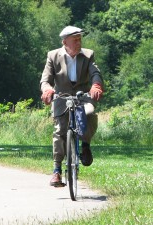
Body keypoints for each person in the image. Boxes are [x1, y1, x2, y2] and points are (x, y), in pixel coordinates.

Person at [40, 25, 104, 186]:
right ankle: (56, 171)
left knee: (90, 114)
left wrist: (96, 85)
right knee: (60, 131)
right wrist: (47, 90)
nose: (78, 43)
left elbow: (95, 73)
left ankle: (86, 146)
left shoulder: (88, 55)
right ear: (65, 42)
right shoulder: (53, 56)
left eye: (79, 39)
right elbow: (45, 80)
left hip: (82, 96)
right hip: (61, 97)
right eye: (74, 40)